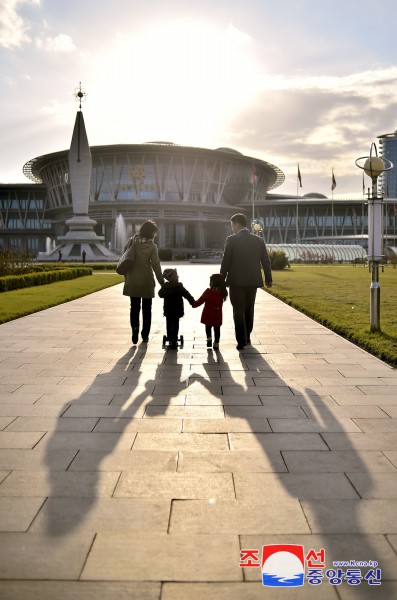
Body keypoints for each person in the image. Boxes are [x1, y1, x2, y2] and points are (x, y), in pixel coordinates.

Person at [220, 213, 273, 350]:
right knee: (249, 309)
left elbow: (226, 261)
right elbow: (265, 261)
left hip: (236, 281)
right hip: (253, 280)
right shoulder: (258, 240)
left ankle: (241, 340)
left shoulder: (231, 240)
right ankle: (247, 336)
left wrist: (221, 277)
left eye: (232, 225)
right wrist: (268, 278)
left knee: (238, 310)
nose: (232, 228)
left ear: (237, 224)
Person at [122, 220, 164, 344]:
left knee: (134, 307)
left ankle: (135, 329)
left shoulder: (131, 241)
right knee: (147, 309)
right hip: (146, 281)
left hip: (133, 280)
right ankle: (145, 335)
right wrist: (162, 282)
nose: (155, 235)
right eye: (154, 232)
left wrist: (127, 275)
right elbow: (156, 266)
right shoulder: (152, 247)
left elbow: (125, 257)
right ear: (151, 232)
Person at [158, 268, 195, 349]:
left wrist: (164, 290)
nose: (178, 276)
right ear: (173, 277)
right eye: (176, 275)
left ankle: (170, 337)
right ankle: (174, 338)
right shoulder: (179, 286)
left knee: (169, 324)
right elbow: (187, 294)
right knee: (175, 324)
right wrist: (192, 302)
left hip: (168, 310)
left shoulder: (165, 286)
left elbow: (160, 294)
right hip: (177, 309)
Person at [193, 273, 228, 350]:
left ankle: (209, 339)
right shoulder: (222, 293)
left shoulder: (208, 291)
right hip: (217, 314)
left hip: (208, 313)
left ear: (212, 282)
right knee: (217, 329)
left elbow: (200, 300)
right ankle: (216, 344)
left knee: (208, 326)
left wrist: (193, 304)